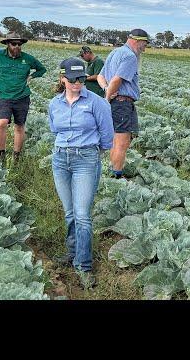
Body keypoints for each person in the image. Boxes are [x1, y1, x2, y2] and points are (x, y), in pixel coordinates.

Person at [48, 57, 114, 289]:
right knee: (69, 212)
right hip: (60, 158)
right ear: (63, 78)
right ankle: (73, 252)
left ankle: (83, 265)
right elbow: (54, 128)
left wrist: (95, 154)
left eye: (81, 78)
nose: (78, 83)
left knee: (82, 214)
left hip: (86, 159)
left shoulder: (96, 102)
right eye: (73, 79)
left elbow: (107, 134)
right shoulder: (54, 103)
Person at [97, 28, 152, 178]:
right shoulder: (130, 56)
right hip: (122, 104)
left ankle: (112, 171)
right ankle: (116, 176)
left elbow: (100, 77)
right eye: (144, 44)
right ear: (137, 41)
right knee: (121, 142)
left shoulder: (115, 52)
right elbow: (117, 80)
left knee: (116, 141)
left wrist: (106, 89)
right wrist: (107, 98)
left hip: (117, 102)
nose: (145, 48)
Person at [0, 31, 46, 163]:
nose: (17, 47)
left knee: (19, 126)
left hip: (22, 97)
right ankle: (1, 153)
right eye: (14, 44)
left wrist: (32, 76)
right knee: (2, 123)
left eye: (19, 44)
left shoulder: (27, 58)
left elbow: (42, 69)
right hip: (3, 96)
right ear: (7, 44)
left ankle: (16, 155)